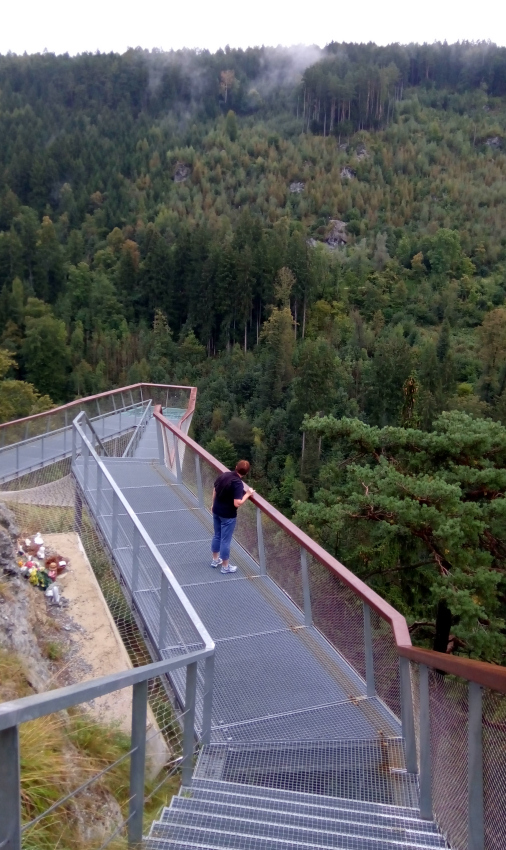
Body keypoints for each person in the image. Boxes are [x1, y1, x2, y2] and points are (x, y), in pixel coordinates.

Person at [211, 460, 254, 574]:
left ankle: (215, 560)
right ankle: (225, 567)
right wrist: (248, 494)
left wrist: (213, 504)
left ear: (236, 467)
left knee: (217, 535)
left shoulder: (225, 475)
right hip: (228, 515)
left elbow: (215, 489)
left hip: (216, 510)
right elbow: (237, 503)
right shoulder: (238, 483)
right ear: (246, 473)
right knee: (225, 541)